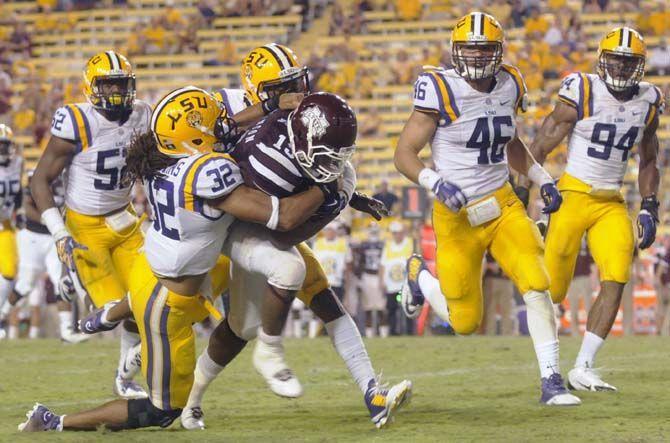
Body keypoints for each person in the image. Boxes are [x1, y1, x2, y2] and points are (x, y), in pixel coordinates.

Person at [17, 86, 328, 433]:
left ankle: (112, 311)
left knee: (219, 267)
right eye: (209, 124)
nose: (220, 126)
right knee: (162, 411)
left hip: (156, 267)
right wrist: (328, 183)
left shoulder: (161, 159)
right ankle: (53, 421)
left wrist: (271, 104)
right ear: (193, 136)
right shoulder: (207, 174)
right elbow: (282, 217)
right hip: (167, 300)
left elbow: (225, 128)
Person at [184, 92, 411, 430]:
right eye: (325, 157)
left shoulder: (295, 126)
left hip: (267, 222)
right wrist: (333, 194)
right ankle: (199, 389)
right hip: (233, 226)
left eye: (339, 157)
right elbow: (285, 230)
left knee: (324, 301)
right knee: (261, 301)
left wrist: (349, 196)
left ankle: (372, 393)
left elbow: (316, 174)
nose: (333, 167)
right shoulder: (271, 159)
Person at [394, 12, 579, 405]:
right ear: (456, 51)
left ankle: (551, 380)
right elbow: (404, 153)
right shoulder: (439, 88)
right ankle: (420, 277)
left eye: (484, 49)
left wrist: (544, 179)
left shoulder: (510, 82)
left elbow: (510, 142)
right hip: (455, 214)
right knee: (464, 323)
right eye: (470, 49)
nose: (477, 58)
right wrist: (434, 181)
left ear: (498, 51)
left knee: (536, 279)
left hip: (502, 204)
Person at [529, 27, 663, 392]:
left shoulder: (649, 100)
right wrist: (536, 208)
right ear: (603, 60)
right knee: (551, 290)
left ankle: (584, 366)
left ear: (640, 65)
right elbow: (540, 146)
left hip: (611, 201)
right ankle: (549, 365)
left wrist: (649, 205)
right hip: (572, 194)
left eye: (628, 61)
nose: (620, 67)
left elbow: (649, 158)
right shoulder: (583, 90)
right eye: (616, 59)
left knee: (618, 271)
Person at [30, 51, 151, 399]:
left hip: (127, 220)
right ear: (90, 87)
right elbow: (40, 180)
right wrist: (59, 232)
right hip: (86, 229)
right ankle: (79, 293)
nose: (115, 92)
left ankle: (125, 376)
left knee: (146, 299)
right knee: (116, 308)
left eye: (121, 84)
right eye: (107, 84)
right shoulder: (77, 121)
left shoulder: (142, 113)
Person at [7, 169, 88, 343]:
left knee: (61, 281)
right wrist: (49, 220)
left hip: (54, 238)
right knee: (25, 284)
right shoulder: (38, 178)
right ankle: (3, 314)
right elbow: (27, 206)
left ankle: (66, 331)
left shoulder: (67, 182)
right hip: (32, 237)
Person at [0, 124, 21, 339]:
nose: (3, 150)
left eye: (5, 145)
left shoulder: (17, 163)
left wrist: (21, 211)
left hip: (5, 224)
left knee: (9, 273)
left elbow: (17, 196)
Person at [379, 221, 415, 335]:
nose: (396, 235)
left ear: (403, 233)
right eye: (394, 233)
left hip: (406, 284)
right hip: (391, 284)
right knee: (392, 309)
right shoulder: (388, 246)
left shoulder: (410, 243)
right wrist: (381, 281)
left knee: (408, 308)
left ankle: (410, 332)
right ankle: (393, 332)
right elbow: (382, 265)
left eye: (398, 233)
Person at [358, 222, 386, 337]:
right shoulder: (363, 245)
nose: (373, 232)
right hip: (367, 276)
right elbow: (360, 262)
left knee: (381, 308)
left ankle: (384, 334)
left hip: (378, 276)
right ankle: (370, 335)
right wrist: (359, 278)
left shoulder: (383, 244)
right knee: (368, 307)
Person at [565, 238, 595, 337]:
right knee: (573, 307)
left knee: (589, 307)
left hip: (585, 278)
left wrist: (594, 279)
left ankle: (592, 332)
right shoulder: (568, 241)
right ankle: (575, 333)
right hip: (572, 279)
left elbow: (592, 262)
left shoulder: (587, 241)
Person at [482, 253, 515, 335]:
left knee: (507, 309)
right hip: (491, 279)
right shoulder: (489, 244)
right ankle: (489, 334)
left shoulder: (509, 245)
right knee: (490, 309)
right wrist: (489, 265)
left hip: (506, 280)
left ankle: (507, 334)